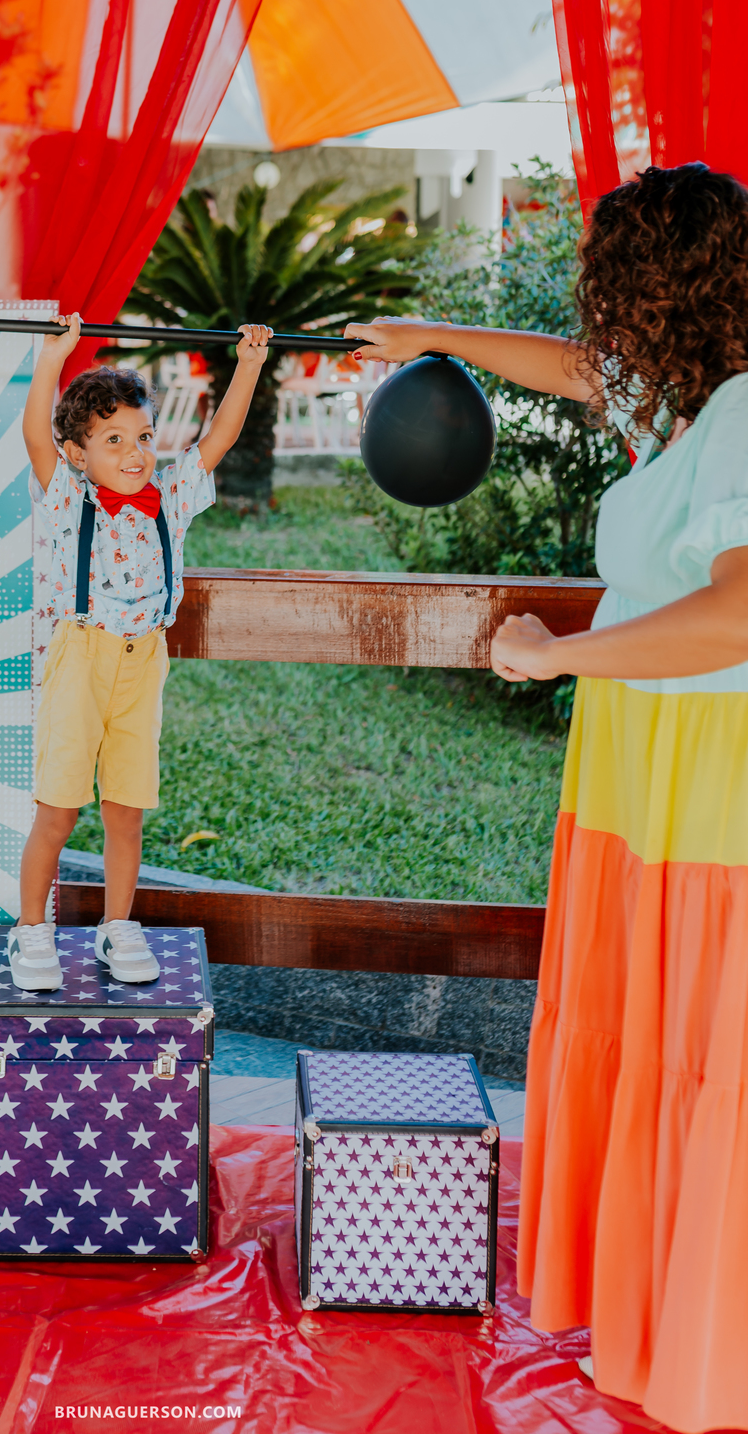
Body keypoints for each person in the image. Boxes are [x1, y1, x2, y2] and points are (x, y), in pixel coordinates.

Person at [346, 162, 748, 1433]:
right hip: (649, 764)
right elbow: (576, 373)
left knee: (706, 1048)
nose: (596, 311)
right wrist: (426, 338)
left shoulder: (743, 414)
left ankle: (707, 1340)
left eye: (611, 282)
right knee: (653, 1036)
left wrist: (557, 654)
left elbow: (740, 612)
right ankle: (651, 1299)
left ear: (661, 288)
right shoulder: (687, 399)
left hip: (711, 773)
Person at [11, 311, 272, 992]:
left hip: (142, 662)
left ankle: (117, 925)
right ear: (79, 453)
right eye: (114, 440)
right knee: (59, 811)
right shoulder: (70, 499)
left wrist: (248, 365)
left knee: (126, 809)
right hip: (81, 660)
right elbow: (35, 434)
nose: (135, 453)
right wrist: (52, 357)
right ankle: (31, 929)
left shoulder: (170, 498)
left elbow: (219, 438)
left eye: (144, 437)